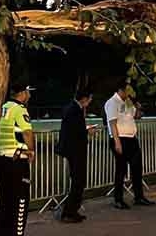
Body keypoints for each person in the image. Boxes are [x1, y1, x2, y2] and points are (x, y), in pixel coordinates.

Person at [104, 83, 155, 209]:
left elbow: (136, 116)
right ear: (121, 90)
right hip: (120, 139)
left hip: (132, 138)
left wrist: (138, 109)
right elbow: (112, 123)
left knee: (137, 168)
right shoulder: (112, 102)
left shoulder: (128, 102)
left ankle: (139, 197)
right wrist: (117, 142)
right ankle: (118, 199)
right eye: (128, 91)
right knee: (121, 170)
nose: (130, 94)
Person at [0, 83, 36, 236]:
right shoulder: (19, 109)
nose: (29, 96)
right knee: (20, 201)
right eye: (28, 92)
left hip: (2, 159)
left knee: (5, 200)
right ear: (22, 93)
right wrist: (32, 151)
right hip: (17, 160)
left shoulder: (3, 107)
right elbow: (27, 132)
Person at [58, 88, 96, 223]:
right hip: (75, 150)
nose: (90, 101)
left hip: (74, 149)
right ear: (84, 99)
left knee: (78, 180)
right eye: (89, 99)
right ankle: (69, 212)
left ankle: (73, 210)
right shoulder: (74, 110)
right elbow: (74, 131)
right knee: (78, 181)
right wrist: (87, 132)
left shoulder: (72, 108)